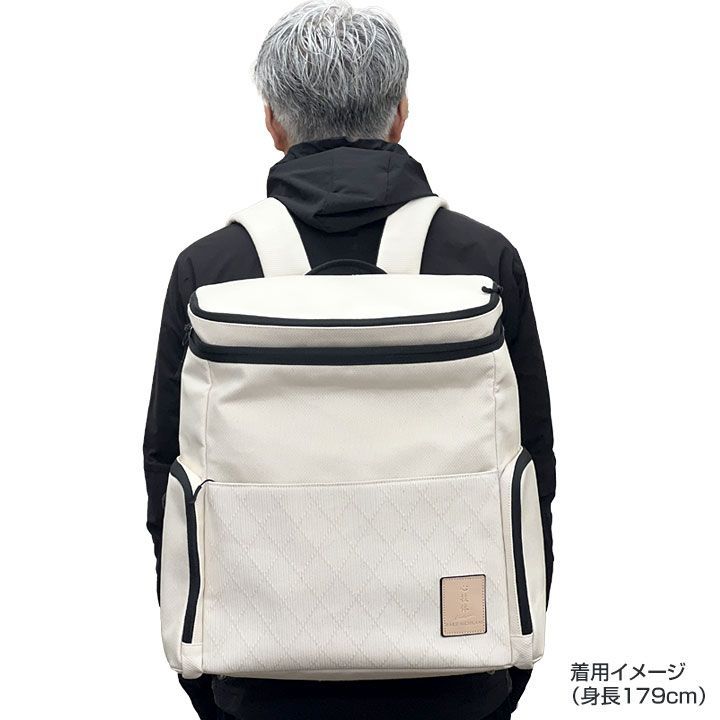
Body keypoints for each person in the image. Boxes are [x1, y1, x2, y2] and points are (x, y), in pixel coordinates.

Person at [143, 2, 555, 718]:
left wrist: (209, 679)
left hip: (256, 679)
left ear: (273, 122)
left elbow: (163, 469)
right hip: (463, 676)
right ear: (401, 113)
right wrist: (506, 666)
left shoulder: (212, 270)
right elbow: (536, 464)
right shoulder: (482, 259)